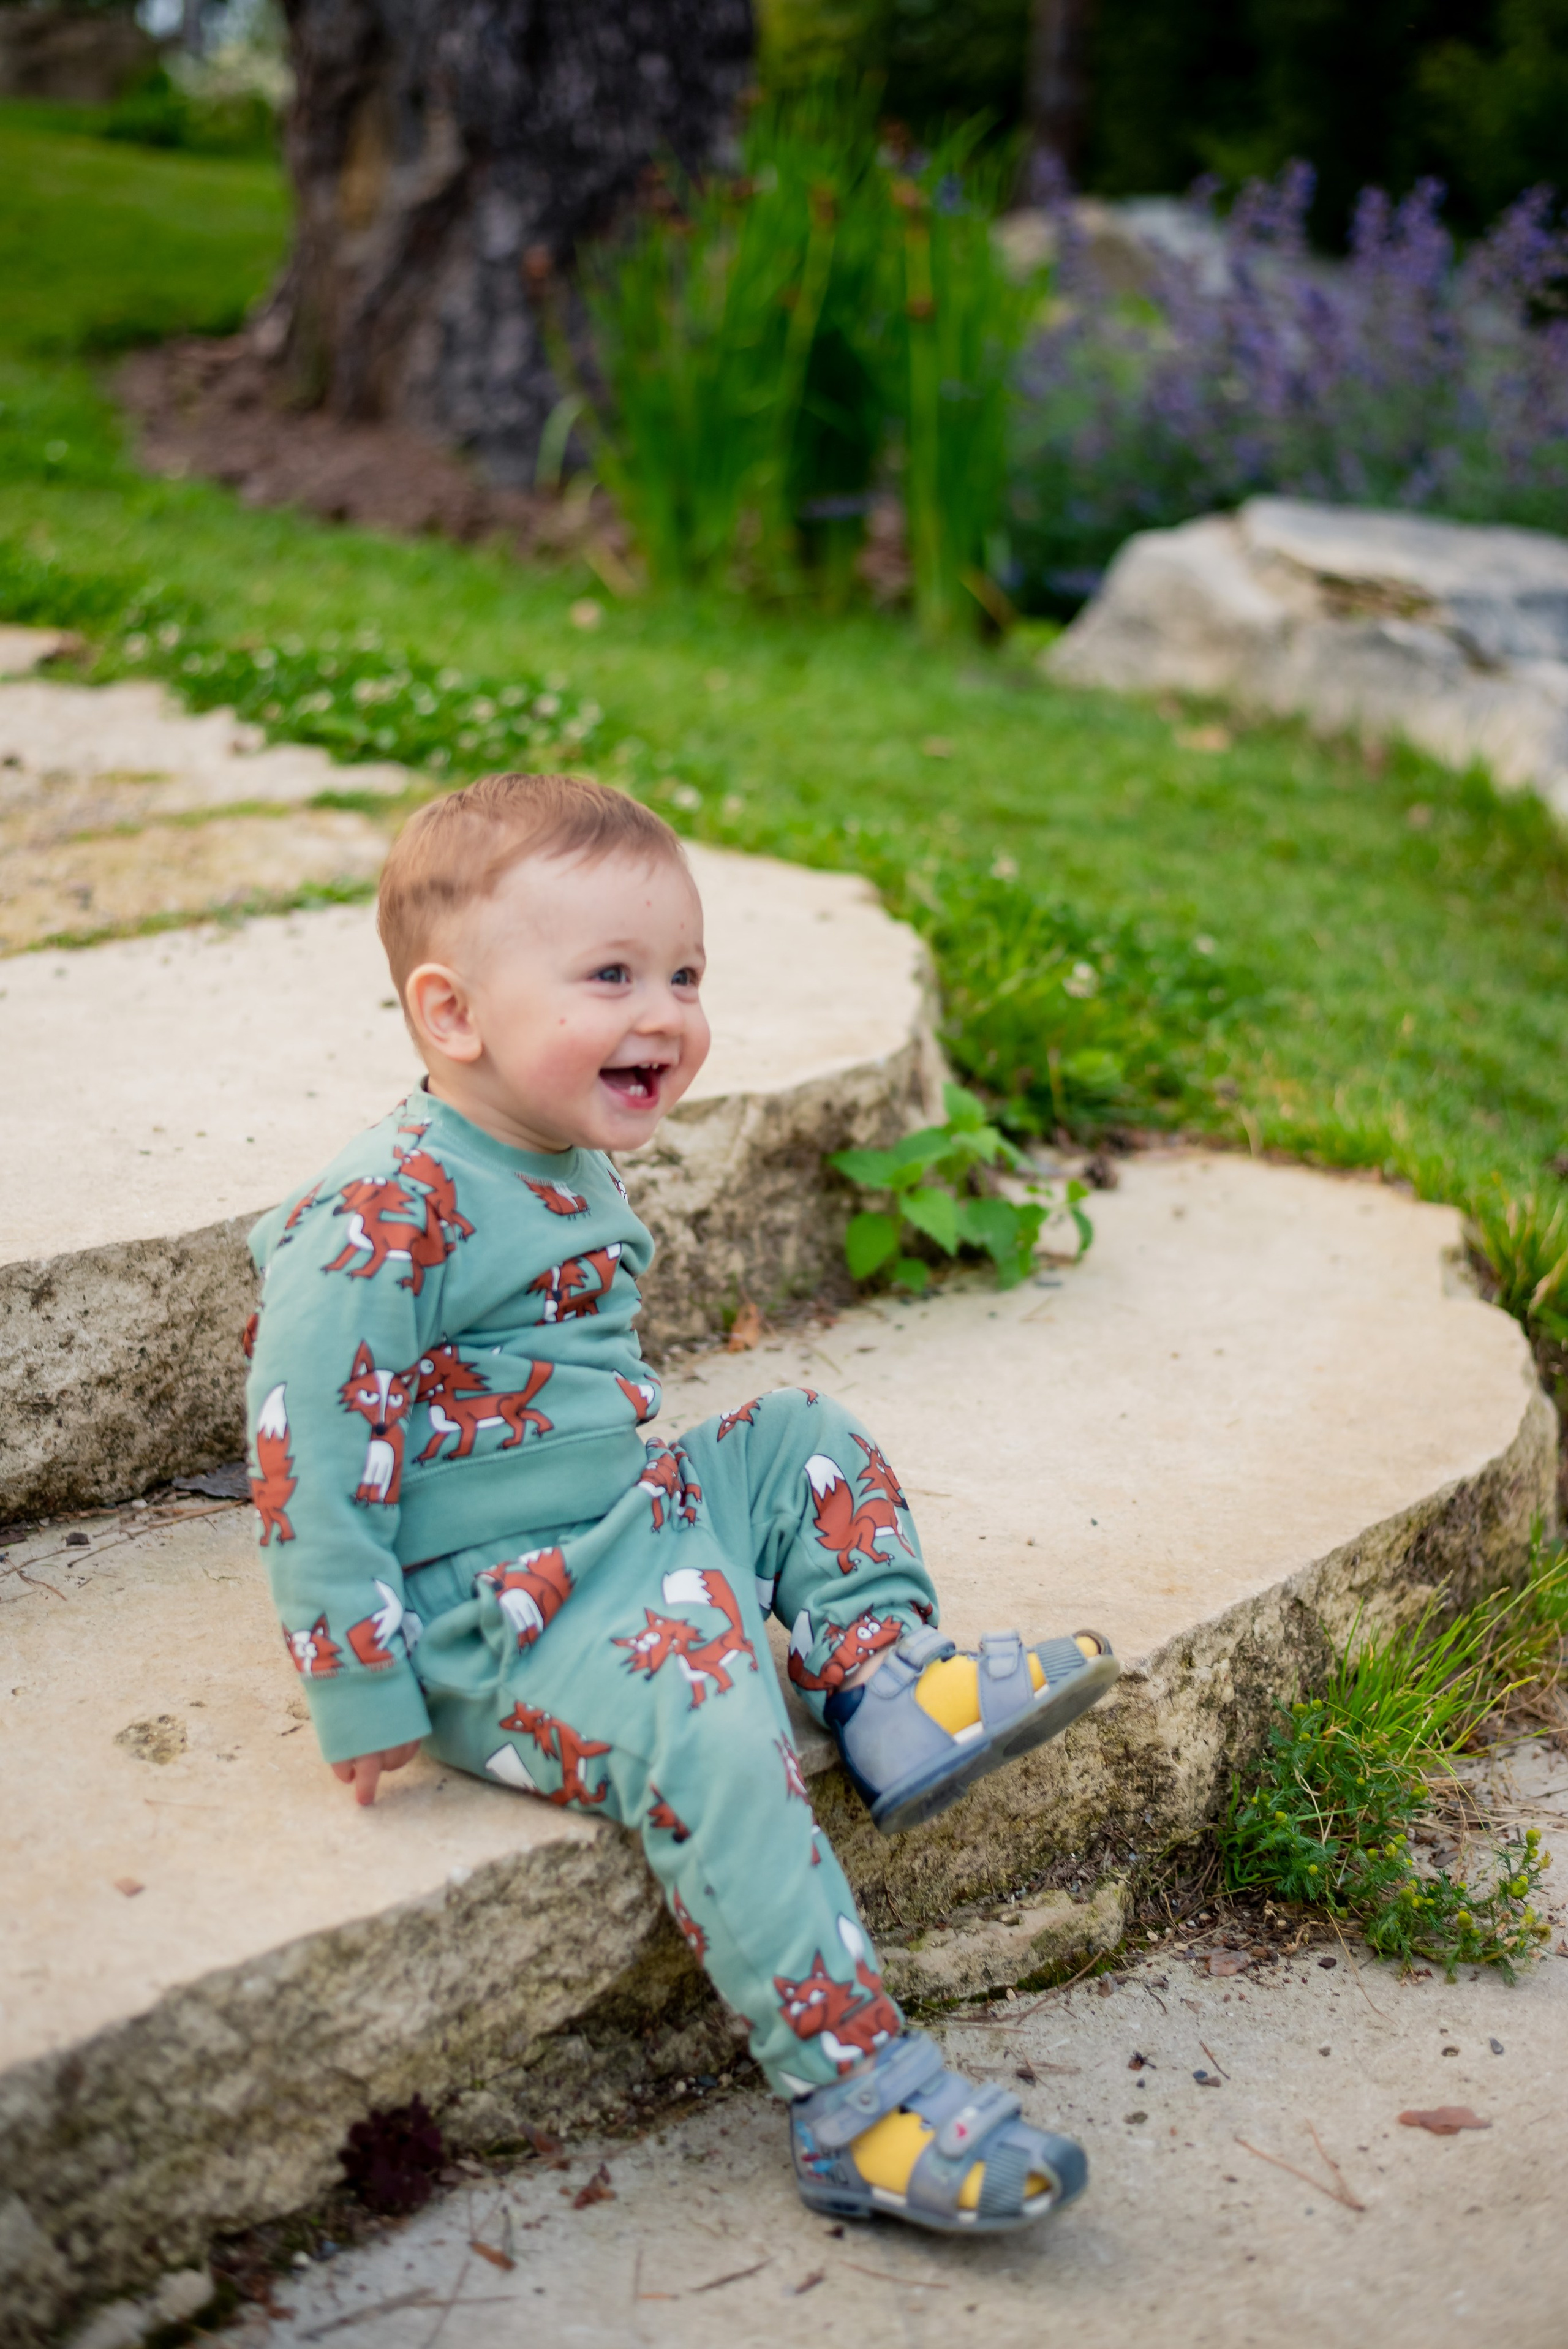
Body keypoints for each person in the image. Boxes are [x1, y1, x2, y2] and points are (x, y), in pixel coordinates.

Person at [245, 771, 1118, 2236]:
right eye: (611, 977)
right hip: (497, 1613)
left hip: (617, 1519)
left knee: (798, 1435)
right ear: (452, 1015)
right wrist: (359, 1678)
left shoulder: (548, 1145)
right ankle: (856, 2094)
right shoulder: (383, 1210)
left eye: (684, 976)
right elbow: (305, 1445)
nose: (663, 1013)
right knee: (708, 1708)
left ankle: (880, 1683)